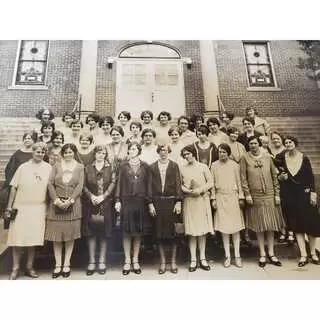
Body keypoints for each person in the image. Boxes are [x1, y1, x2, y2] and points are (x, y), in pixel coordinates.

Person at [5, 142, 52, 280]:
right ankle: (15, 268)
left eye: (43, 152)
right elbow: (13, 187)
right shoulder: (23, 167)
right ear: (33, 152)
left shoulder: (48, 168)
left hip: (38, 207)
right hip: (21, 207)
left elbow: (50, 190)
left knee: (33, 240)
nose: (40, 154)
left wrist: (48, 208)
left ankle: (29, 267)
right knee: (17, 239)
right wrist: (9, 206)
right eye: (38, 151)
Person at [240, 136, 285, 268]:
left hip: (270, 195)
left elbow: (274, 177)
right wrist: (247, 194)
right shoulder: (244, 158)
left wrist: (277, 194)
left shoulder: (267, 158)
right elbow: (243, 178)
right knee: (260, 226)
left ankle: (271, 253)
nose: (253, 145)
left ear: (259, 145)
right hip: (255, 196)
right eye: (250, 144)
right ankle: (262, 254)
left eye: (255, 143)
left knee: (270, 225)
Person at [276, 136, 320, 267]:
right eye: (286, 143)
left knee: (311, 226)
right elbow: (280, 176)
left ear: (295, 143)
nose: (288, 144)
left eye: (290, 142)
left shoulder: (304, 158)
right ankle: (303, 255)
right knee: (297, 226)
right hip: (291, 196)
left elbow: (310, 176)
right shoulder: (283, 159)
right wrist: (281, 177)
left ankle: (313, 253)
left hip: (305, 195)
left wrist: (313, 193)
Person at [45, 143, 84, 278]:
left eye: (71, 152)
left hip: (73, 205)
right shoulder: (56, 166)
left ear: (74, 153)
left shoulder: (80, 167)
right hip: (56, 206)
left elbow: (80, 185)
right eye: (66, 152)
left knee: (69, 237)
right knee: (56, 237)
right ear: (62, 153)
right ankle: (58, 265)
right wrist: (56, 200)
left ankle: (66, 264)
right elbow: (50, 183)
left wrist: (70, 200)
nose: (68, 154)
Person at [114, 142, 153, 275]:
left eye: (134, 148)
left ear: (139, 150)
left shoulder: (145, 166)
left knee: (137, 232)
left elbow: (148, 185)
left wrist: (149, 202)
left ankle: (135, 260)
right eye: (130, 148)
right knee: (126, 232)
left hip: (140, 202)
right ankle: (127, 261)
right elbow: (118, 183)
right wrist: (118, 200)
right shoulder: (123, 166)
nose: (131, 150)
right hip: (126, 201)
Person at [83, 145, 116, 275]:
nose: (100, 155)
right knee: (90, 232)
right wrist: (91, 196)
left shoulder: (111, 167)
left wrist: (104, 196)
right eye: (98, 153)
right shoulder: (87, 168)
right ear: (94, 154)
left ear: (105, 154)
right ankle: (91, 261)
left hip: (106, 203)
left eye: (103, 153)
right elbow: (84, 185)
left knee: (104, 233)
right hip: (90, 203)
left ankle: (102, 261)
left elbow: (113, 182)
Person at [180, 145, 214, 272]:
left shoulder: (203, 167)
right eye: (184, 155)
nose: (187, 156)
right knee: (192, 231)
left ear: (193, 153)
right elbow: (180, 185)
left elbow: (210, 182)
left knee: (202, 231)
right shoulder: (182, 168)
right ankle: (193, 259)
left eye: (188, 153)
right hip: (189, 201)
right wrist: (188, 191)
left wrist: (200, 190)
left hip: (201, 200)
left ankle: (203, 258)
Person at [149, 144, 183, 274]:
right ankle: (163, 262)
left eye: (166, 150)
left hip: (171, 202)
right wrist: (150, 203)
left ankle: (173, 262)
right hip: (158, 203)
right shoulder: (152, 167)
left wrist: (178, 201)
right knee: (160, 234)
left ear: (169, 151)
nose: (164, 152)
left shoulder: (174, 165)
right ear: (158, 152)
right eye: (161, 150)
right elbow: (149, 186)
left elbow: (178, 184)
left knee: (173, 234)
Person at [210, 144, 245, 268]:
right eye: (220, 152)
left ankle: (237, 256)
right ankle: (227, 256)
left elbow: (239, 182)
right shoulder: (214, 165)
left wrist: (241, 196)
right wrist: (213, 198)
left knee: (235, 228)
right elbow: (212, 183)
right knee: (224, 229)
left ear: (228, 153)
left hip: (233, 198)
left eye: (224, 152)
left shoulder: (235, 165)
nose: (221, 154)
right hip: (220, 198)